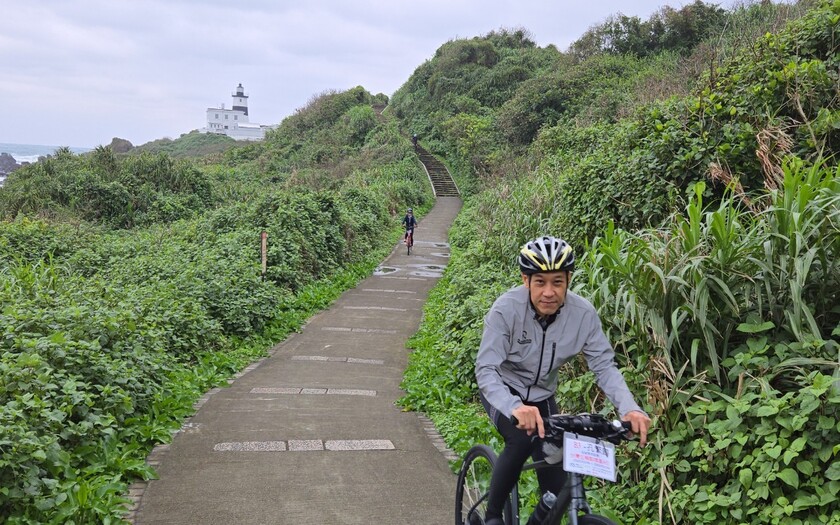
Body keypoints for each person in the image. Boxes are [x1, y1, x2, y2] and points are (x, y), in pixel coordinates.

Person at [475, 235, 650, 525]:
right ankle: (493, 516)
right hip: (504, 388)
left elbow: (604, 366)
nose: (549, 292)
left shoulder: (583, 315)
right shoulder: (505, 310)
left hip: (543, 395)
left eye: (557, 282)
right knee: (520, 440)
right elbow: (486, 369)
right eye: (540, 281)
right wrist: (514, 406)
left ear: (568, 280)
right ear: (525, 280)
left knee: (555, 478)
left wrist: (630, 408)